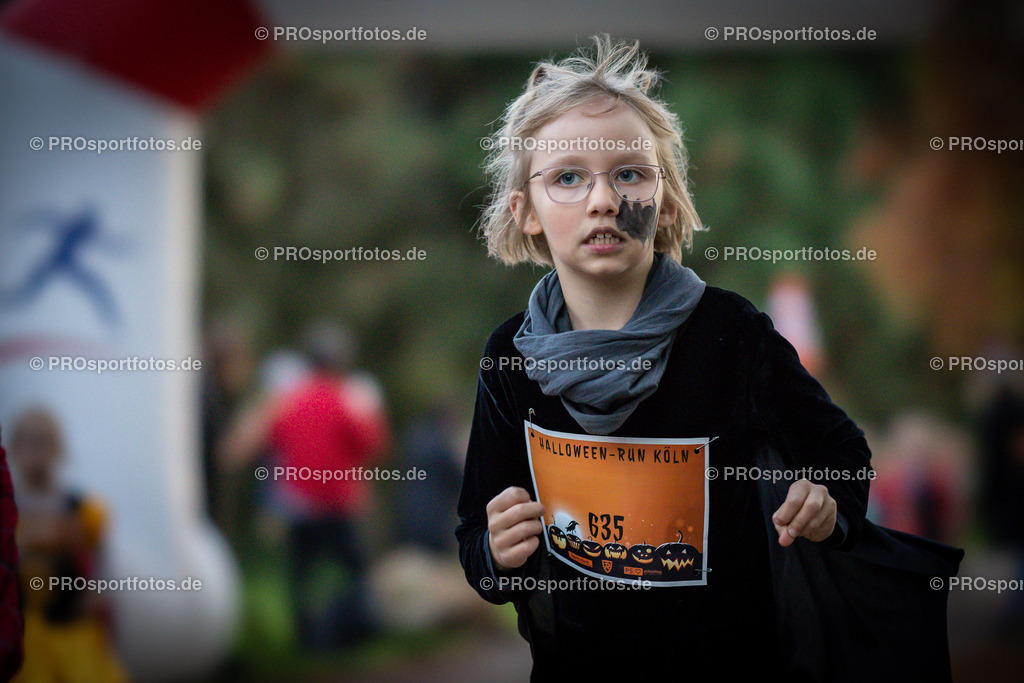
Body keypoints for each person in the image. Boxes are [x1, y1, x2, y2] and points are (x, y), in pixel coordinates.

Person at [456, 37, 960, 681]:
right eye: (568, 177)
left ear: (664, 201)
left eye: (630, 173)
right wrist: (497, 555)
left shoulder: (732, 334)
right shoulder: (508, 357)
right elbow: (476, 541)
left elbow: (845, 459)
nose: (604, 200)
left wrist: (825, 504)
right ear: (523, 211)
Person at [223, 321, 389, 650]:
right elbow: (373, 445)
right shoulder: (349, 398)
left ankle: (307, 639)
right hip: (338, 501)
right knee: (355, 571)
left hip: (299, 502)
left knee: (301, 573)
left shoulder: (288, 400)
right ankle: (351, 631)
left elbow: (268, 442)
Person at [8, 407, 127, 683]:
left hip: (72, 633)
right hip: (22, 637)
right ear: (15, 448)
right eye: (28, 441)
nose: (36, 450)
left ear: (58, 449)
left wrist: (96, 594)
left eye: (44, 441)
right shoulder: (7, 510)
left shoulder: (82, 510)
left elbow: (102, 565)